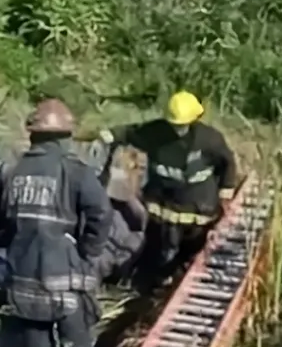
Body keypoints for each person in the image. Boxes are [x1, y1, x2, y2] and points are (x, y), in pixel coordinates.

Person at [0, 99, 113, 347]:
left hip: (23, 276)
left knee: (35, 341)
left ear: (32, 134)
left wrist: (6, 245)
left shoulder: (9, 171)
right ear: (66, 137)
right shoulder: (76, 171)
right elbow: (101, 214)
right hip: (66, 279)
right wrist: (88, 251)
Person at [97, 91, 239, 288]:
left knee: (193, 252)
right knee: (162, 251)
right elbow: (131, 132)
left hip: (199, 209)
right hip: (165, 209)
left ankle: (184, 276)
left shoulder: (209, 140)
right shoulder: (155, 134)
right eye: (174, 124)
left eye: (181, 125)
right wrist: (108, 135)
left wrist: (227, 189)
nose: (177, 129)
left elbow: (227, 163)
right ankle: (156, 284)